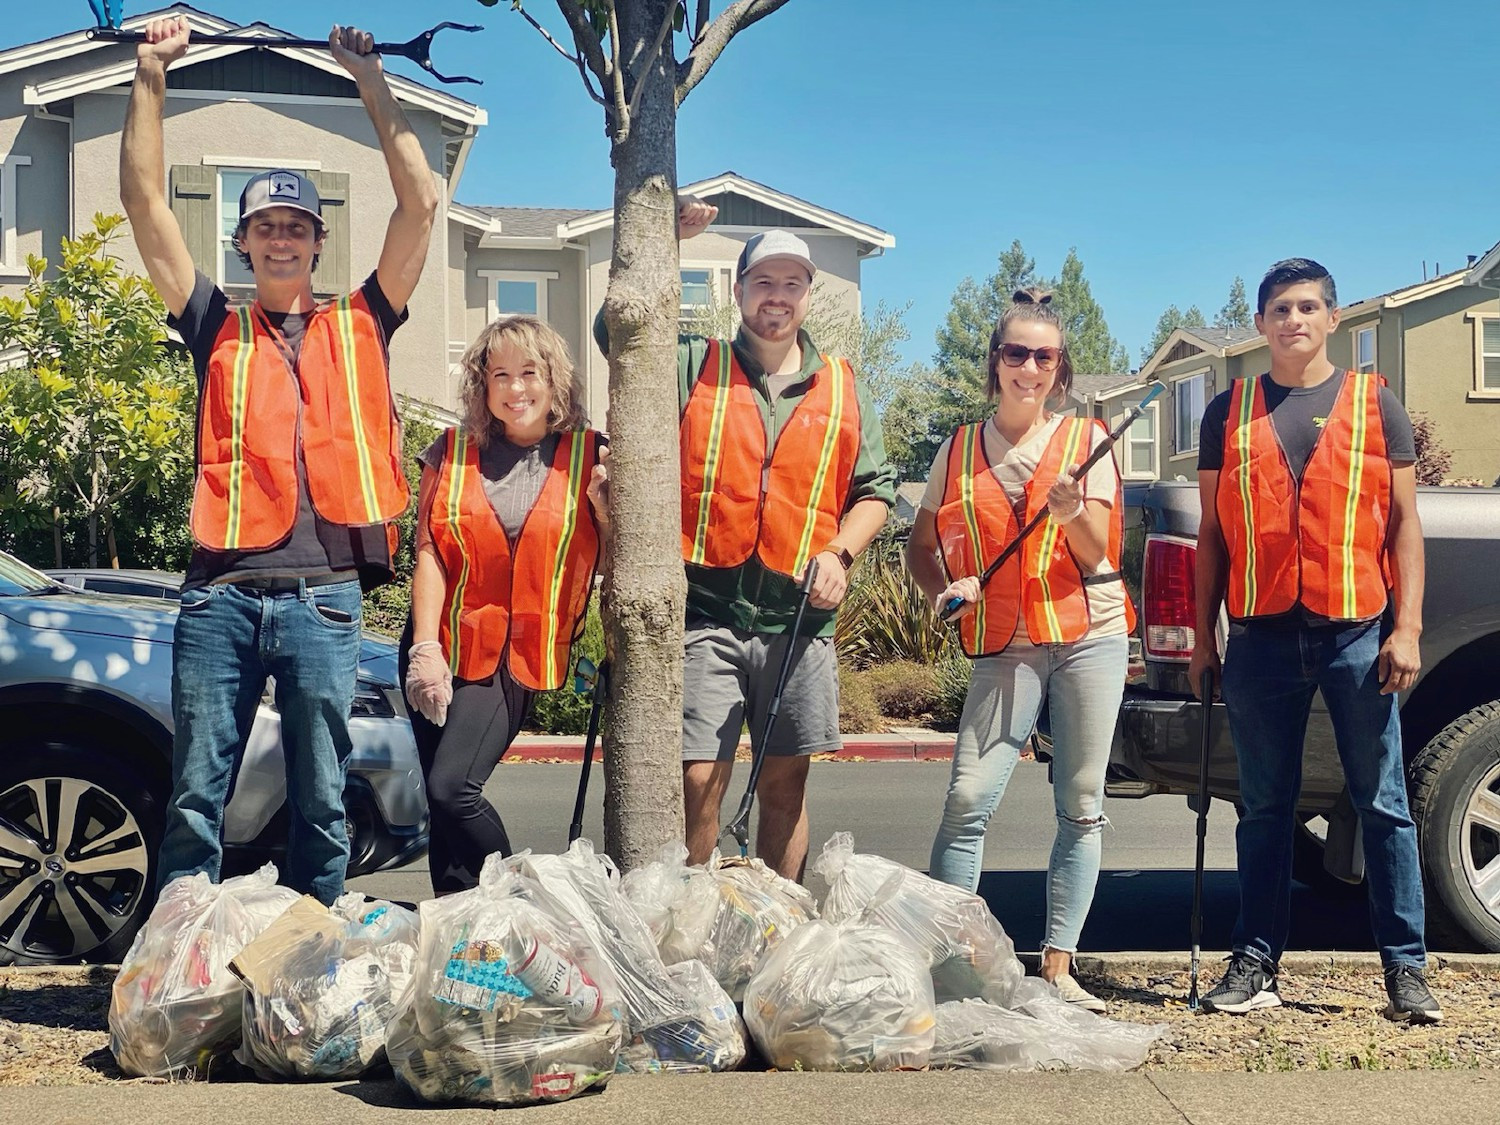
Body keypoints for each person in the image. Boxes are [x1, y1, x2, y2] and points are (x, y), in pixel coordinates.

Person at [120, 16, 439, 904]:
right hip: (220, 595)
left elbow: (421, 202)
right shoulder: (214, 321)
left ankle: (313, 968)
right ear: (245, 242)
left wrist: (370, 79)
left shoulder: (366, 319)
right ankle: (182, 967)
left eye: (297, 224)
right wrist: (152, 73)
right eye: (266, 225)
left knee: (322, 800)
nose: (283, 238)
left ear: (317, 241)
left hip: (325, 601)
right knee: (195, 799)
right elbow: (146, 203)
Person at [595, 203, 897, 881]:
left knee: (785, 784)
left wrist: (841, 553)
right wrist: (660, 241)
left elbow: (875, 490)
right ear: (738, 292)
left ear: (807, 295)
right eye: (764, 281)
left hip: (799, 620)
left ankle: (777, 937)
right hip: (709, 613)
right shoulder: (692, 364)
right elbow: (615, 330)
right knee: (700, 778)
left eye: (792, 283)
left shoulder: (845, 387)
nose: (778, 296)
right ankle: (692, 930)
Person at [1190, 259, 1440, 1022]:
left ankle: (1405, 971)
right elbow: (1211, 537)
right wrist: (1203, 637)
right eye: (1278, 309)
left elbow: (1404, 526)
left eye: (1307, 307)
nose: (1293, 319)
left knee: (1384, 803)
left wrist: (1408, 626)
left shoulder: (1375, 405)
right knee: (1265, 807)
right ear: (1260, 325)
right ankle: (1256, 959)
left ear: (1333, 319)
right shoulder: (1224, 414)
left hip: (1359, 633)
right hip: (1262, 640)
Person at [905, 289, 1134, 1012]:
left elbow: (1099, 555)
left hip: (1087, 636)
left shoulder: (1083, 443)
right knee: (969, 798)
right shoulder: (959, 448)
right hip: (1005, 642)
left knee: (1081, 801)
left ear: (1059, 367)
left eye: (1044, 355)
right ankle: (952, 965)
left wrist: (1070, 516)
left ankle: (1059, 967)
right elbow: (918, 547)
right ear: (994, 363)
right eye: (1015, 353)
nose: (1028, 367)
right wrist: (947, 588)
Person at [400, 316, 608, 894]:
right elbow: (431, 554)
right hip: (437, 646)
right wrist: (423, 648)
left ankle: (523, 895)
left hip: (518, 655)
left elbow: (614, 554)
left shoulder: (592, 454)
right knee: (442, 814)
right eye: (500, 376)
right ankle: (462, 934)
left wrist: (606, 507)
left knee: (452, 789)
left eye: (528, 373)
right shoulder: (448, 450)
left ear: (553, 380)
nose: (516, 389)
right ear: (482, 386)